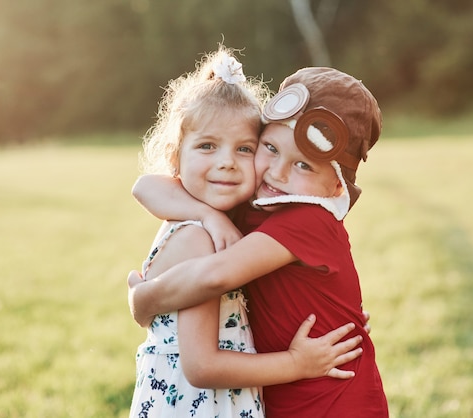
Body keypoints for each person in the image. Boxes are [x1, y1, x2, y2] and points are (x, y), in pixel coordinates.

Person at [129, 66, 389, 417]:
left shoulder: (308, 220)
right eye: (270, 148)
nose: (277, 172)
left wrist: (144, 297)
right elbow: (147, 185)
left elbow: (214, 277)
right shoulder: (250, 206)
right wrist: (211, 216)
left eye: (304, 166)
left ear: (337, 188)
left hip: (332, 401)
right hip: (283, 395)